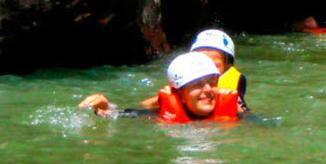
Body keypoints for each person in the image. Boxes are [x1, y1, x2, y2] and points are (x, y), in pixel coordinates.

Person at [78, 52, 240, 123]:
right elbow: (112, 115)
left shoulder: (237, 116)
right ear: (180, 94)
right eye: (197, 84)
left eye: (211, 83)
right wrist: (103, 107)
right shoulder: (158, 117)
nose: (207, 90)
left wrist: (238, 108)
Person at [139, 29, 250, 112]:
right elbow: (143, 106)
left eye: (214, 65)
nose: (205, 68)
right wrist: (160, 99)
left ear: (228, 67)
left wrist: (233, 105)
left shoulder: (232, 98)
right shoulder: (182, 86)